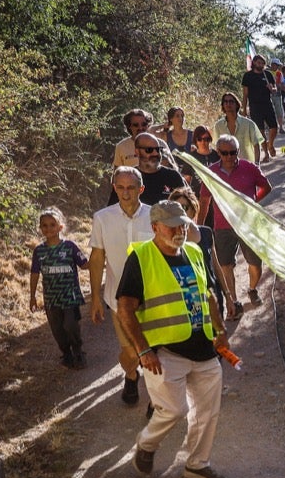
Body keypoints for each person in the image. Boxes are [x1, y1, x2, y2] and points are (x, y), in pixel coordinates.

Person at [116, 200, 228, 478]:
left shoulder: (193, 251)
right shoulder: (141, 257)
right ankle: (147, 443)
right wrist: (142, 350)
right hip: (163, 351)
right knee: (175, 410)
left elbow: (208, 294)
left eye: (183, 224)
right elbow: (125, 307)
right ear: (155, 227)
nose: (180, 230)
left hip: (203, 347)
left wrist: (219, 329)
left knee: (208, 411)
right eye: (172, 225)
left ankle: (197, 464)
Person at [88, 167, 154, 405]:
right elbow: (96, 259)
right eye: (120, 187)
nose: (125, 194)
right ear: (114, 188)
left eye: (131, 188)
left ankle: (154, 399)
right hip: (117, 299)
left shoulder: (154, 216)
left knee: (152, 348)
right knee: (131, 351)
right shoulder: (102, 218)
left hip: (152, 298)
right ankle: (131, 374)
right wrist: (95, 297)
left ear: (141, 189)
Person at [195, 133, 272, 317]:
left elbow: (267, 187)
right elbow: (204, 200)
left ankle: (252, 289)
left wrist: (253, 204)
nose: (229, 157)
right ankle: (234, 302)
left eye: (233, 152)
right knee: (225, 264)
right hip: (222, 226)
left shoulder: (249, 168)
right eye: (224, 153)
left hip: (248, 224)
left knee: (255, 263)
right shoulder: (211, 172)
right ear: (218, 152)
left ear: (238, 151)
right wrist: (199, 227)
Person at [29, 207, 88, 369]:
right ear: (40, 228)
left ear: (60, 227)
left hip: (70, 297)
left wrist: (103, 258)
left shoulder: (70, 246)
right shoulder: (39, 251)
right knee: (58, 330)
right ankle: (66, 354)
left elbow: (85, 265)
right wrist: (32, 296)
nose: (48, 229)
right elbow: (34, 274)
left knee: (70, 325)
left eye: (52, 225)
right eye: (44, 225)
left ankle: (78, 351)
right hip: (51, 299)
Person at [108, 131, 186, 207]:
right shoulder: (128, 178)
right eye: (149, 150)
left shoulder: (173, 177)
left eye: (158, 149)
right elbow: (112, 211)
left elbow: (189, 206)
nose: (155, 154)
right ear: (137, 152)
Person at [242, 54, 280, 161]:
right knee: (260, 131)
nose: (261, 65)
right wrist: (244, 109)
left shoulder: (267, 74)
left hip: (267, 104)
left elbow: (275, 89)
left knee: (274, 127)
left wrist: (272, 89)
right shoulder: (248, 76)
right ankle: (266, 153)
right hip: (254, 106)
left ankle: (270, 144)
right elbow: (245, 94)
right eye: (259, 62)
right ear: (254, 62)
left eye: (263, 63)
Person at [214, 91, 263, 166]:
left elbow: (256, 145)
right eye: (225, 102)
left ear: (236, 104)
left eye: (231, 101)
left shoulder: (248, 124)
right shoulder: (218, 126)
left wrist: (257, 164)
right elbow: (217, 148)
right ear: (223, 105)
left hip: (247, 166)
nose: (228, 104)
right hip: (227, 168)